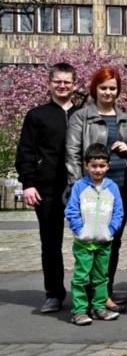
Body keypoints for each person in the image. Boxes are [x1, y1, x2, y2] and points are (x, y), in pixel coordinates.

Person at [65, 67, 127, 313]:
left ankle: (104, 292)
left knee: (112, 241)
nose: (108, 92)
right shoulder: (81, 117)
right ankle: (85, 295)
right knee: (88, 244)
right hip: (89, 190)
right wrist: (77, 187)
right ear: (94, 89)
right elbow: (73, 154)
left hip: (118, 189)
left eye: (113, 88)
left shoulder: (125, 119)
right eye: (103, 87)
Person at [16, 62, 78, 313]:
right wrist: (28, 184)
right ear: (49, 83)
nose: (62, 86)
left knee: (91, 241)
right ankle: (54, 293)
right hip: (46, 188)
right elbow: (25, 152)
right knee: (50, 243)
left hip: (80, 187)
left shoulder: (83, 114)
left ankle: (94, 292)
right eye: (57, 81)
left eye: (67, 82)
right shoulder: (36, 115)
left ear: (75, 85)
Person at [64, 144, 124, 325]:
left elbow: (118, 212)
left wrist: (110, 230)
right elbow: (71, 210)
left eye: (102, 166)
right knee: (81, 278)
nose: (98, 170)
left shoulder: (112, 187)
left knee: (101, 277)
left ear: (108, 166)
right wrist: (80, 230)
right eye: (94, 166)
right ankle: (79, 311)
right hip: (83, 243)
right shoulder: (79, 186)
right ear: (86, 166)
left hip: (104, 242)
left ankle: (99, 307)